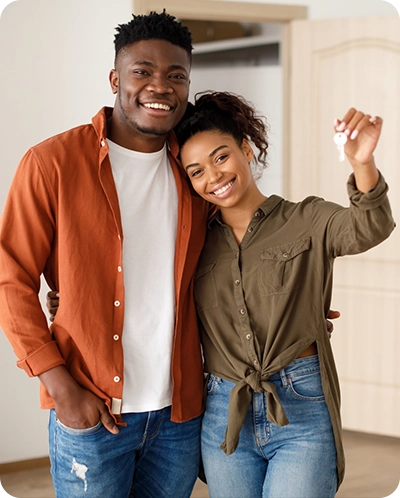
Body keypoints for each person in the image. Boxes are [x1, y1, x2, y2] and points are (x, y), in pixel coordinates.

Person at [0, 11, 209, 498]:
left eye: (176, 75)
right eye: (143, 71)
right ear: (116, 79)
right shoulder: (52, 163)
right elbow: (11, 279)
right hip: (91, 409)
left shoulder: (194, 172)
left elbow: (233, 257)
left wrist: (291, 303)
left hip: (178, 414)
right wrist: (61, 388)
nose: (160, 86)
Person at [172, 92, 394, 497]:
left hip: (301, 406)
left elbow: (370, 226)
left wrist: (362, 163)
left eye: (221, 157)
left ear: (246, 149)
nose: (213, 177)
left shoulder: (306, 218)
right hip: (224, 410)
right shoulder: (191, 242)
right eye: (196, 171)